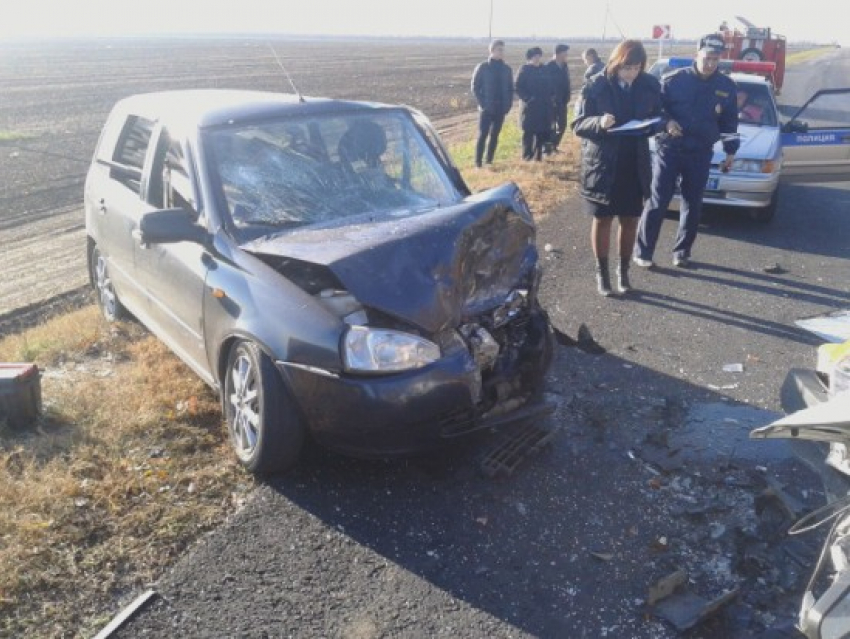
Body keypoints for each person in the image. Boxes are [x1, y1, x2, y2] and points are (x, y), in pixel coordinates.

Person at [634, 33, 739, 268]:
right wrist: (667, 123)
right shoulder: (673, 80)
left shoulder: (726, 86)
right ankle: (643, 252)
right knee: (658, 201)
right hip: (670, 149)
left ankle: (682, 252)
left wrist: (731, 151)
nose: (710, 63)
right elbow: (655, 111)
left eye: (715, 59)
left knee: (693, 203)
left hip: (700, 152)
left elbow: (730, 122)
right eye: (707, 58)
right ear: (697, 55)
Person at [572, 39, 662, 296]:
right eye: (626, 68)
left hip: (634, 162)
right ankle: (602, 274)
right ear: (615, 62)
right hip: (602, 163)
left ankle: (623, 273)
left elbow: (659, 115)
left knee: (631, 219)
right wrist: (599, 122)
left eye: (636, 68)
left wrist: (654, 125)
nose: (631, 73)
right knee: (603, 219)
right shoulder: (596, 85)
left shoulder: (649, 85)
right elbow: (578, 124)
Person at [471, 39, 514, 168]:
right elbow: (475, 87)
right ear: (492, 50)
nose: (502, 52)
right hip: (486, 109)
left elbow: (511, 89)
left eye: (503, 50)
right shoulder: (483, 67)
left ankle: (489, 161)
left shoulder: (507, 69)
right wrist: (483, 104)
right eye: (499, 49)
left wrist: (508, 105)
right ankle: (478, 163)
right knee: (483, 134)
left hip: (500, 108)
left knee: (495, 135)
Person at [516, 47, 553, 161]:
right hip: (530, 108)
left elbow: (550, 85)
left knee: (541, 132)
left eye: (539, 56)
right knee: (528, 133)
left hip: (544, 107)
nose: (537, 58)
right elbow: (518, 87)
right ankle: (527, 156)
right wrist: (528, 98)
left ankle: (538, 156)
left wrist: (551, 97)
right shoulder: (524, 70)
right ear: (530, 58)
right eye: (535, 56)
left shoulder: (544, 69)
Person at [545, 44, 572, 153]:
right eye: (565, 53)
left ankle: (554, 145)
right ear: (558, 53)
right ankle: (547, 148)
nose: (566, 55)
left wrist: (567, 96)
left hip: (562, 101)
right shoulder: (548, 66)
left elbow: (567, 82)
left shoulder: (565, 66)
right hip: (551, 102)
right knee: (550, 126)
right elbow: (545, 85)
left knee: (562, 125)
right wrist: (550, 97)